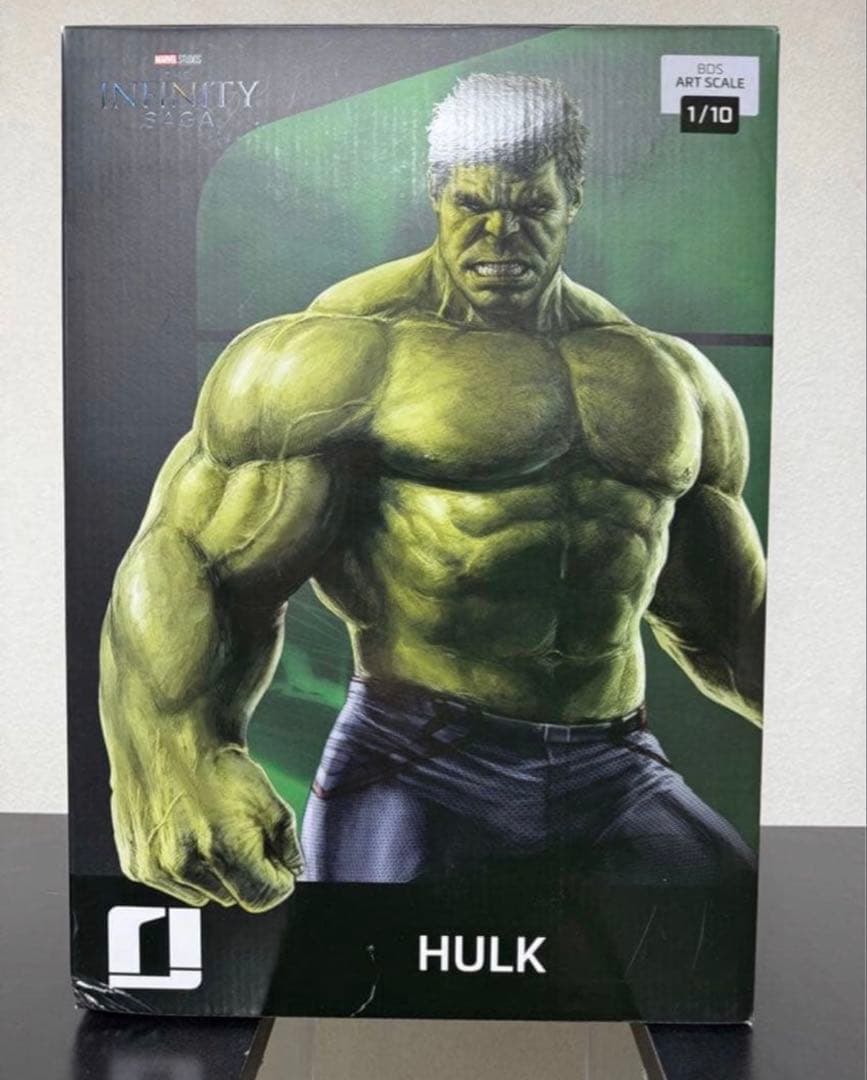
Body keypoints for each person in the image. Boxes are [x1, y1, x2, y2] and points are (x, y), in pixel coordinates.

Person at [99, 74, 765, 912]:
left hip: (613, 762)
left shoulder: (668, 378)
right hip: (418, 763)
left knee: (731, 929)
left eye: (531, 207)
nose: (500, 233)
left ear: (573, 200)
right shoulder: (338, 356)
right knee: (358, 975)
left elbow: (731, 629)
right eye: (471, 204)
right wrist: (180, 752)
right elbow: (194, 559)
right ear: (435, 194)